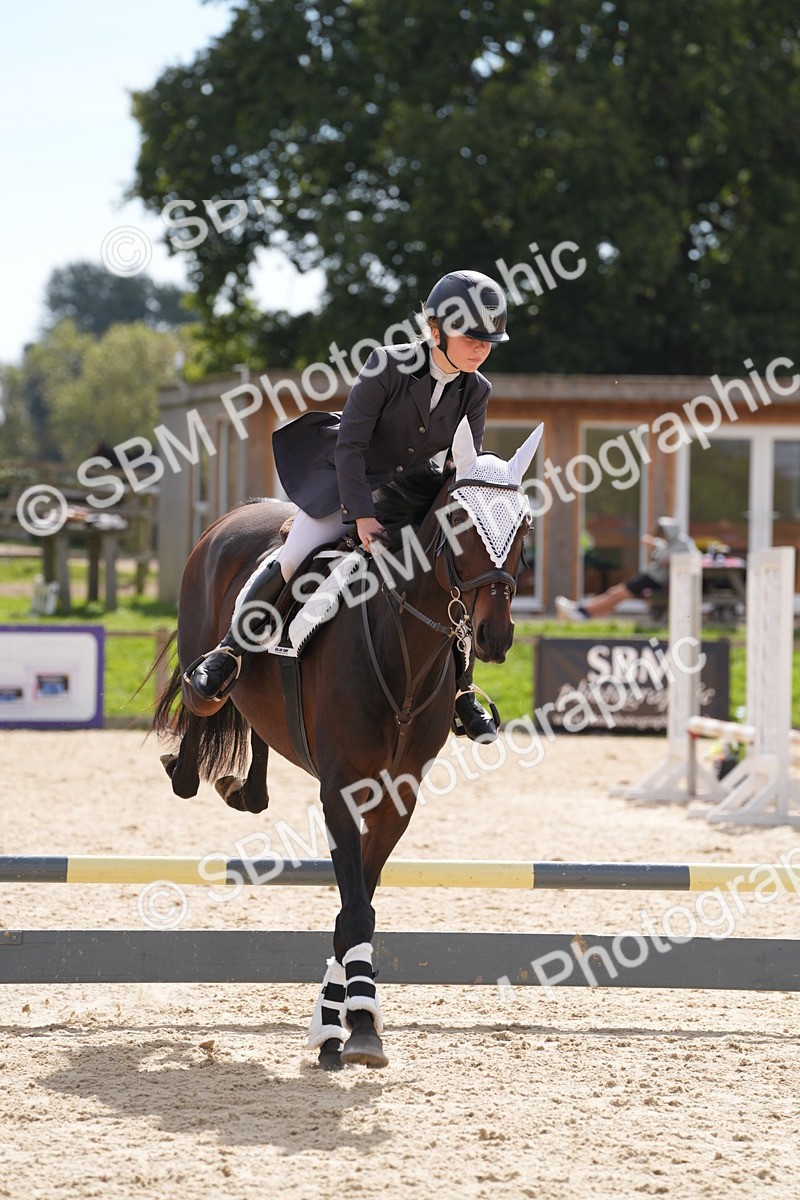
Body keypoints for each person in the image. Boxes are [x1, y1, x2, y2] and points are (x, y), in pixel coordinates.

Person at [187, 269, 511, 740]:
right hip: (349, 485)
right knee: (294, 556)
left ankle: (461, 691)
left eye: (488, 341)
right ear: (436, 329)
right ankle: (231, 650)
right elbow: (350, 446)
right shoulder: (388, 365)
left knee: (451, 578)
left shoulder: (477, 389)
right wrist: (362, 515)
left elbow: (462, 464)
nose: (480, 348)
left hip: (413, 499)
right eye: (471, 337)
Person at [555, 517, 698, 621]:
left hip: (653, 581)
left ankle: (583, 612)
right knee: (616, 594)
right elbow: (662, 547)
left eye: (663, 533)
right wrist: (653, 544)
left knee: (616, 594)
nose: (662, 536)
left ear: (670, 531)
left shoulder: (683, 544)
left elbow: (693, 558)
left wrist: (671, 561)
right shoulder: (670, 544)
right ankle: (584, 612)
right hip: (650, 578)